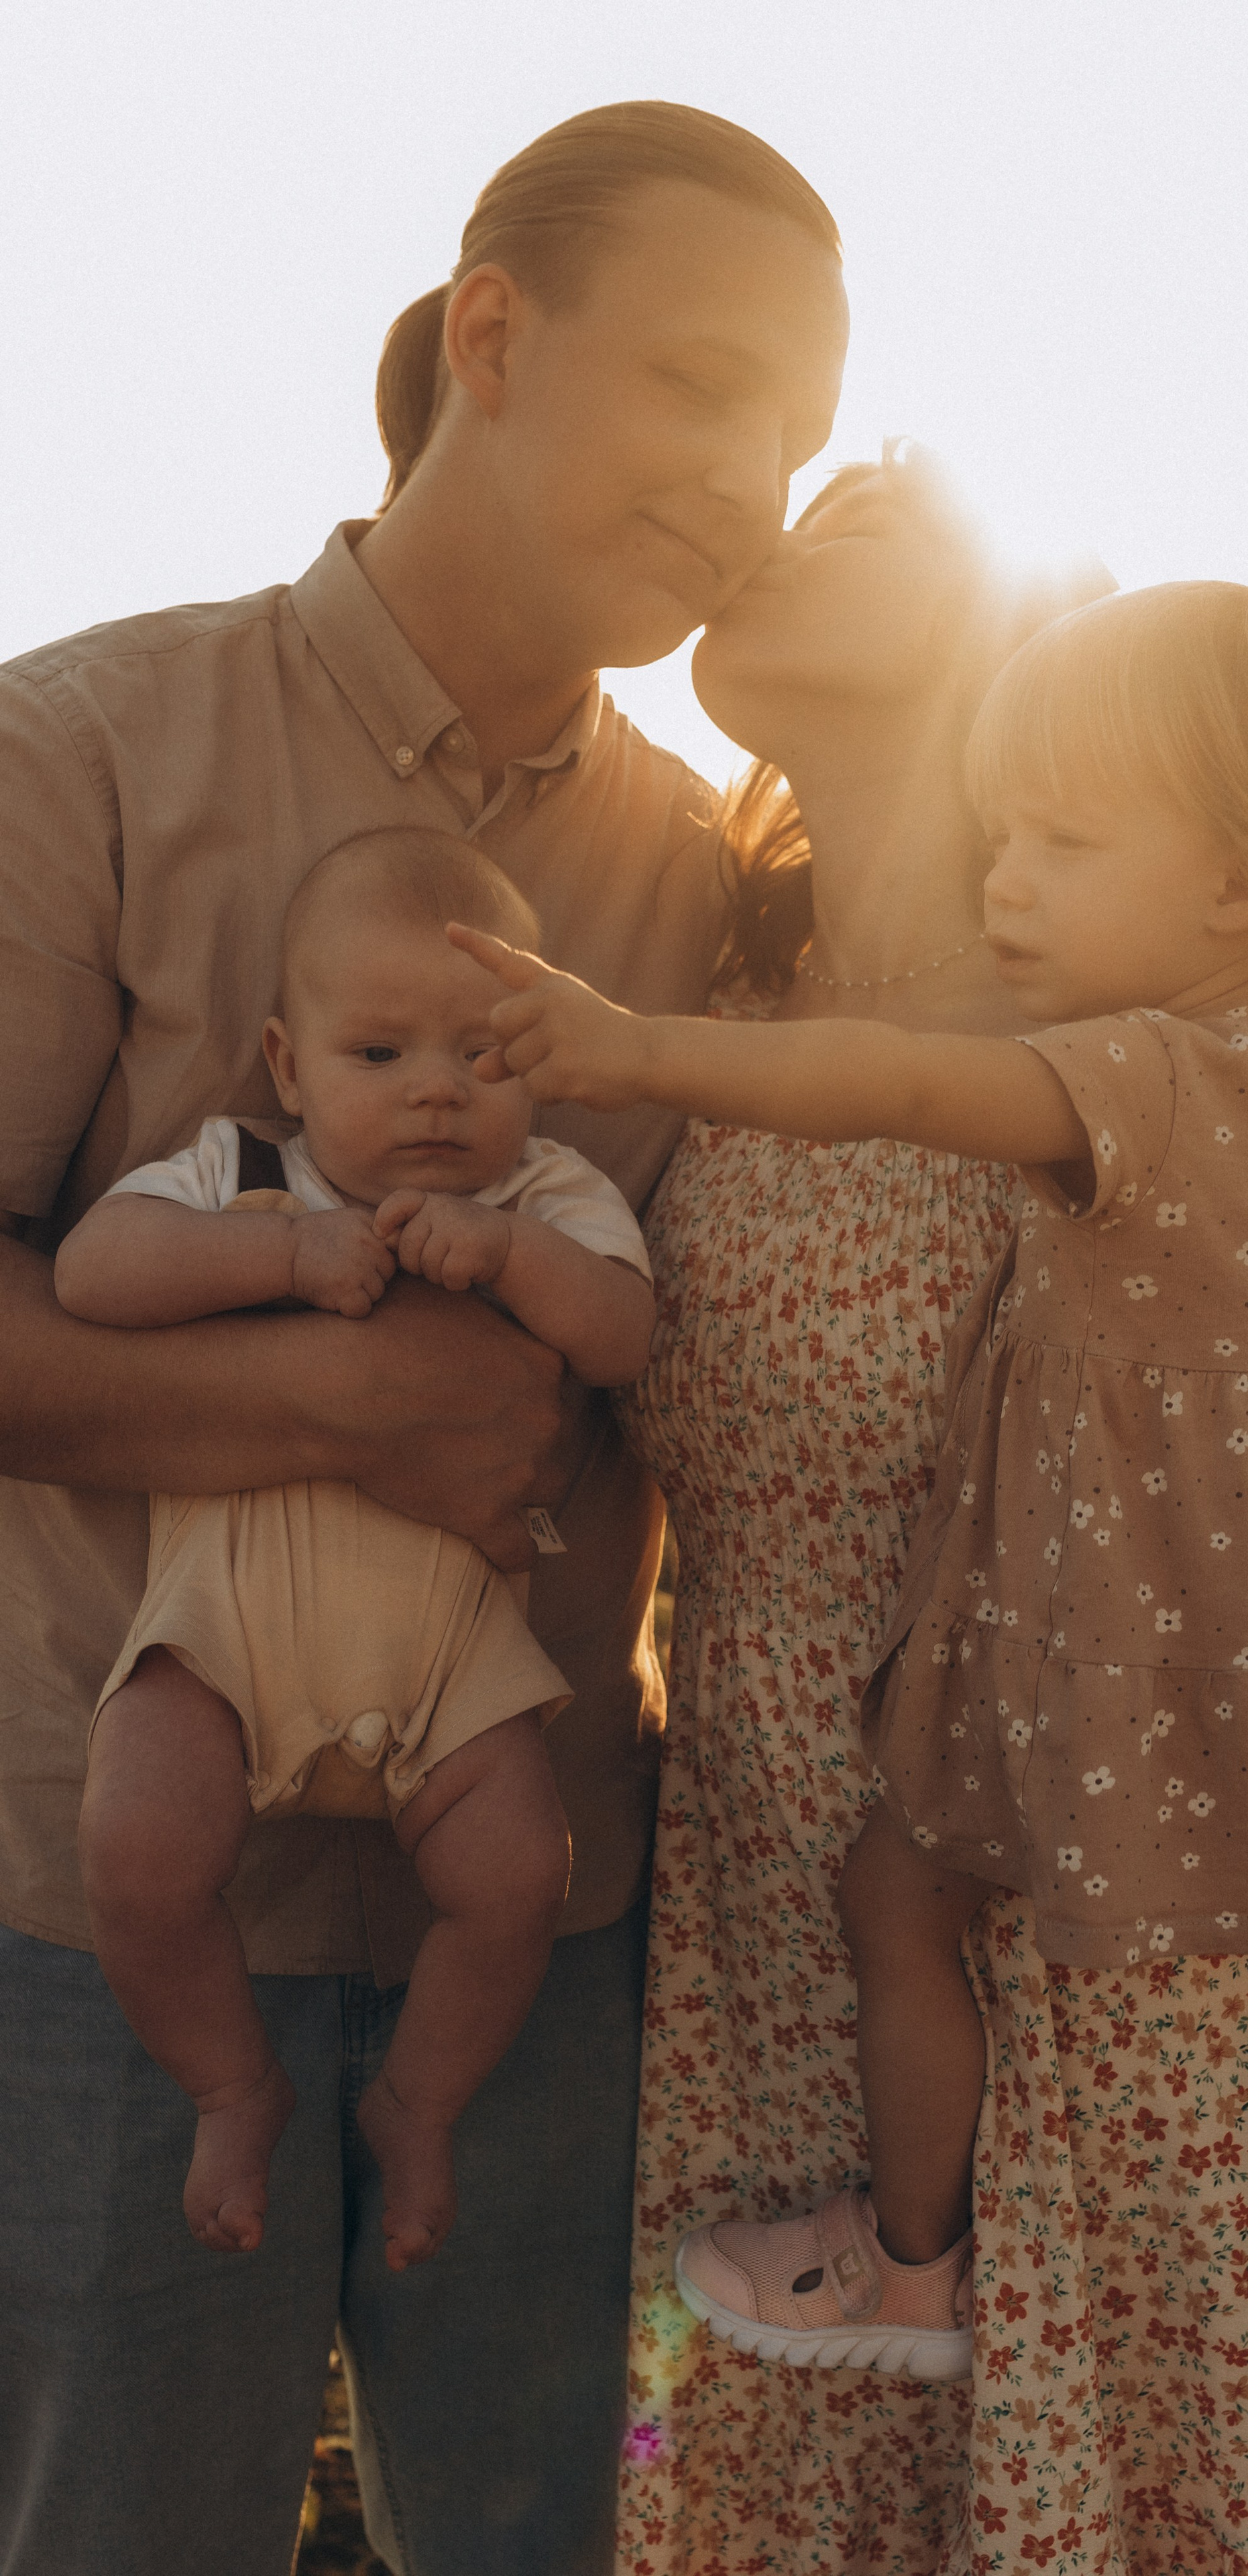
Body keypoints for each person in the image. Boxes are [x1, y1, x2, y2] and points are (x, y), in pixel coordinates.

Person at [0, 101, 846, 2576]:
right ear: (492, 337)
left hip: (561, 1917)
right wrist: (336, 1393)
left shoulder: (704, 874)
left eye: (796, 430)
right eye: (706, 386)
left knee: (581, 2544)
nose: (754, 480)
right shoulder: (77, 757)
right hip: (110, 1923)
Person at [498, 448, 1248, 2573]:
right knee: (783, 2481)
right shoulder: (729, 1011)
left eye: (855, 521)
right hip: (773, 1908)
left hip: (1088, 1931)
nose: (772, 525)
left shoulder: (1171, 1068)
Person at [56, 830, 656, 2270]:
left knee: (519, 1874)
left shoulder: (544, 1200)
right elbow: (90, 1274)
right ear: (287, 1062)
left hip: (448, 1660)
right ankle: (231, 2083)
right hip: (227, 1639)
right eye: (379, 1053)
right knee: (136, 1852)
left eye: (483, 1054)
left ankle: (417, 2104)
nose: (438, 1089)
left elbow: (628, 1335)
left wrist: (511, 1261)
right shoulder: (239, 1172)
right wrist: (278, 1257)